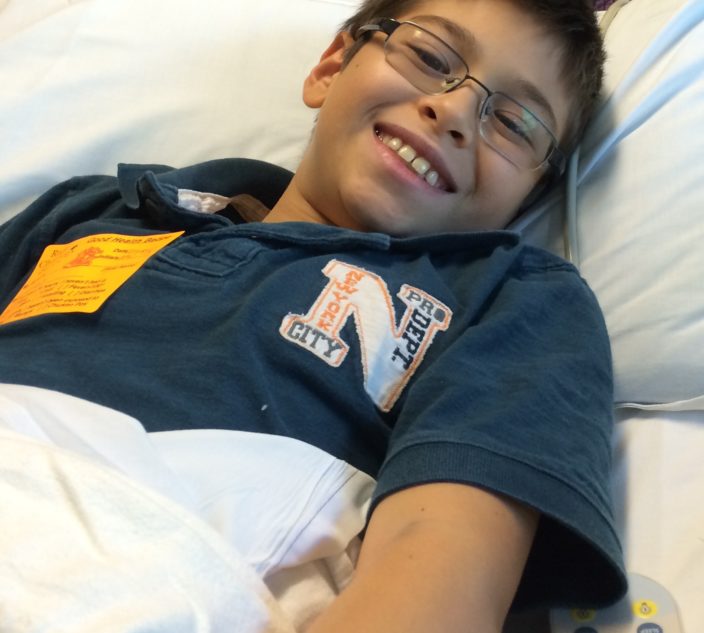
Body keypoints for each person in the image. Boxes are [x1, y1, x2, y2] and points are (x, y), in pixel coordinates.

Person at [0, 0, 626, 631]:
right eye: (431, 57)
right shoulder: (97, 209)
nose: (455, 111)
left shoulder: (514, 302)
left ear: (530, 197)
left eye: (515, 123)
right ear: (331, 67)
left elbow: (439, 577)